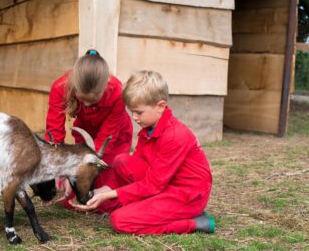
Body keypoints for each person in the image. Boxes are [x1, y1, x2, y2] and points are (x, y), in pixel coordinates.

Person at [71, 70, 215, 235]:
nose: (134, 117)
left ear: (160, 106)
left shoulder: (175, 136)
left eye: (139, 112)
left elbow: (153, 185)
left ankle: (195, 222)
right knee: (122, 161)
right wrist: (102, 191)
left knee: (120, 220)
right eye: (131, 111)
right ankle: (148, 208)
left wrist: (111, 193)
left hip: (187, 195)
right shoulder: (148, 129)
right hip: (164, 183)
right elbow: (138, 165)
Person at [45, 49, 133, 212]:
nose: (86, 105)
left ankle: (131, 190)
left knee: (104, 203)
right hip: (85, 139)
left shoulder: (118, 93)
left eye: (92, 101)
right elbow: (54, 132)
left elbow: (106, 138)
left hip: (113, 141)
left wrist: (84, 166)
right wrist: (62, 169)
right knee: (72, 199)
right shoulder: (61, 87)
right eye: (82, 99)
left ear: (106, 85)